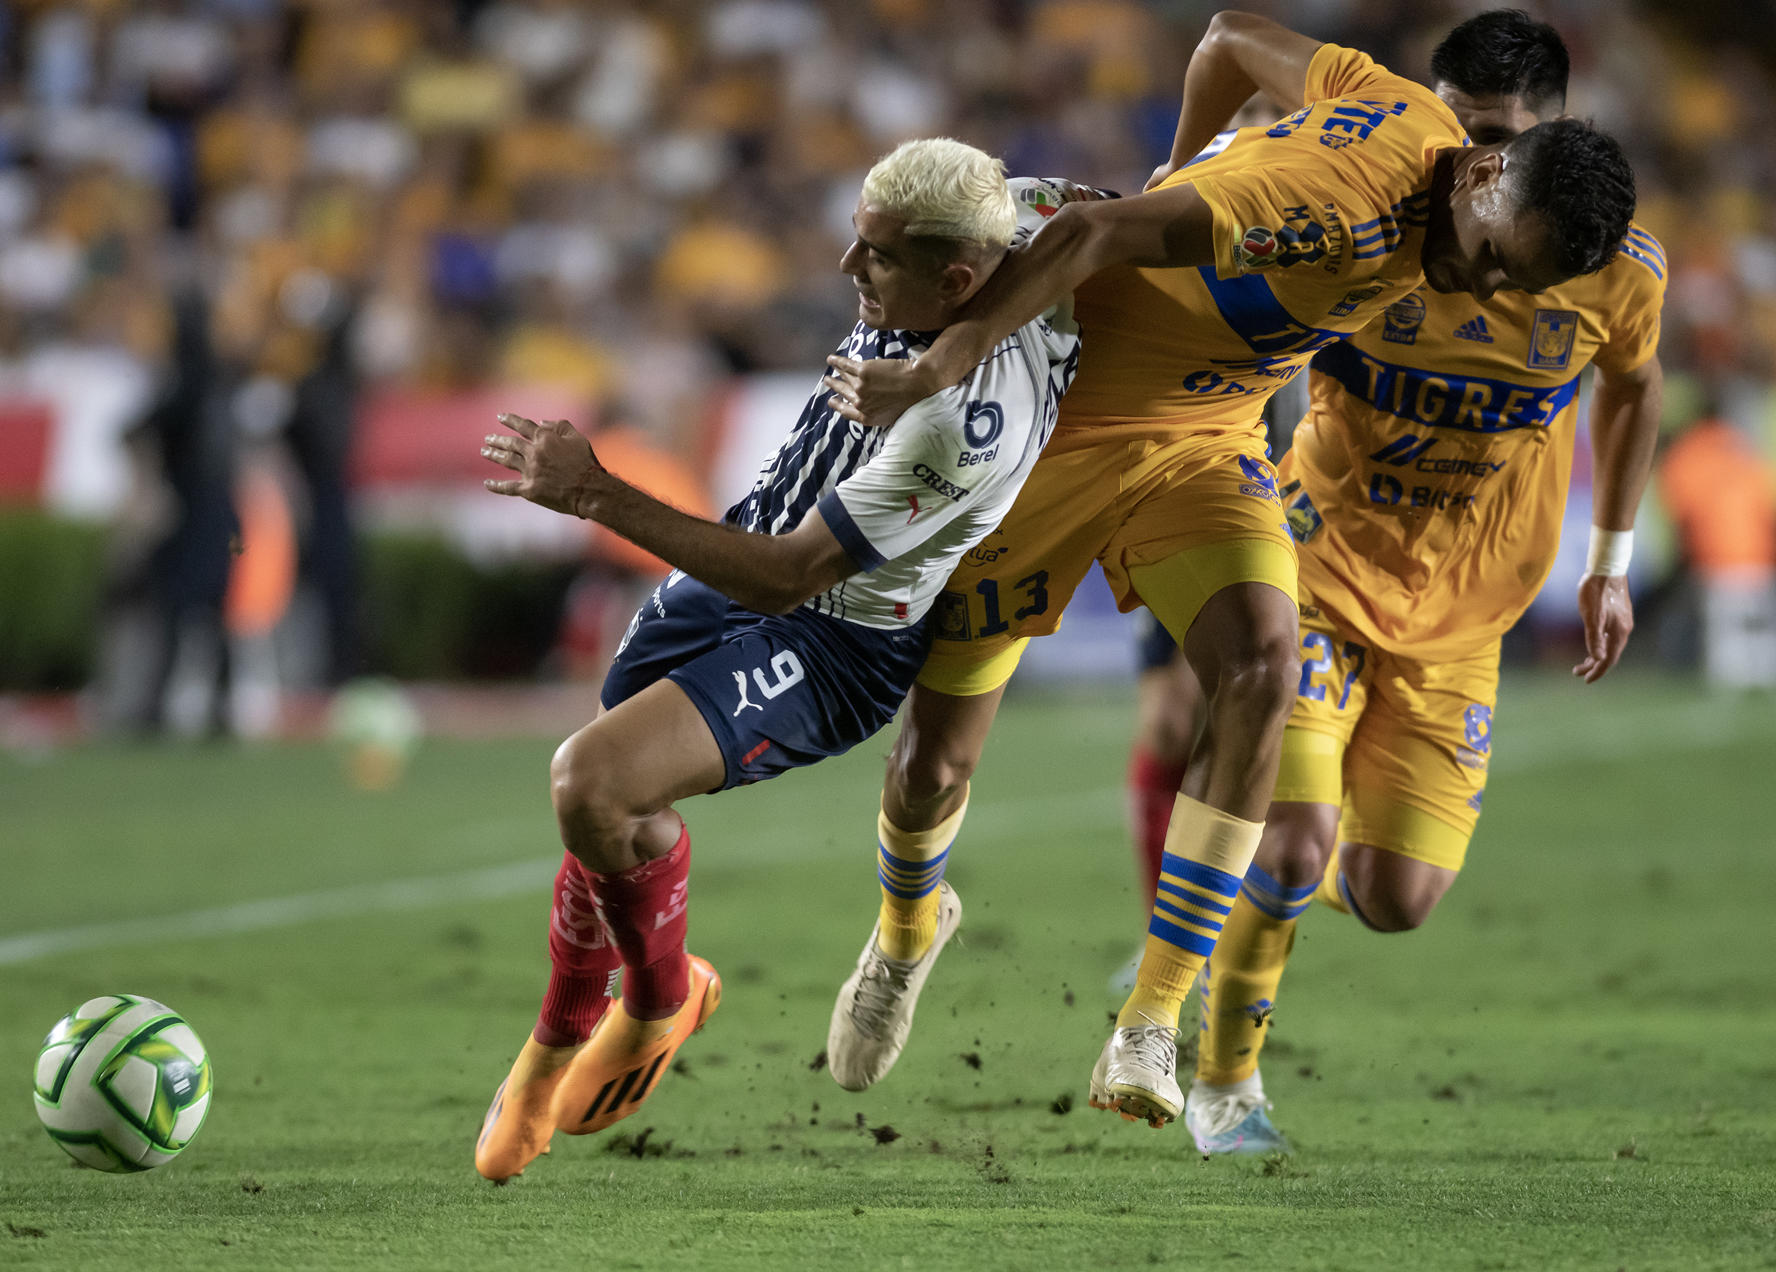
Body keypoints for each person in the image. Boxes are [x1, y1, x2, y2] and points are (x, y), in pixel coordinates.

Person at [820, 9, 1639, 1130]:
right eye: (1492, 257)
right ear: (1482, 168)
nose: (1480, 285)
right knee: (935, 768)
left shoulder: (1413, 121)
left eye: (1512, 281)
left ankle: (1153, 1024)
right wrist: (948, 361)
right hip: (1066, 429)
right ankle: (907, 932)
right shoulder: (1329, 211)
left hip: (1207, 438)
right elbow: (1087, 243)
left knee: (1264, 660)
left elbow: (1229, 36)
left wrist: (1181, 152)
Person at [467, 139, 1087, 1182]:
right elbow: (1103, 222)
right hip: (750, 542)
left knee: (594, 780)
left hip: (834, 634)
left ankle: (626, 1016)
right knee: (614, 803)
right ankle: (618, 1006)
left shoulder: (961, 425)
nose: (848, 269)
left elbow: (789, 581)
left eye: (876, 257)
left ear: (958, 279)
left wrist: (594, 493)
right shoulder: (1017, 214)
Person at [1178, 9, 1667, 1156]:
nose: (1477, 166)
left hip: (1467, 615)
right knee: (1293, 846)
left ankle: (1271, 868)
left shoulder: (1608, 269)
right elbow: (1235, 62)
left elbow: (1637, 388)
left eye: (1507, 140)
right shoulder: (1363, 221)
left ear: (1558, 137)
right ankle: (1223, 1086)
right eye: (1463, 132)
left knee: (1396, 898)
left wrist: (1612, 561)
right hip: (1315, 572)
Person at [1658, 408, 1776, 690]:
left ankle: (1728, 681)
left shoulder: (1686, 456)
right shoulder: (1748, 451)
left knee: (1724, 636)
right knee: (1773, 633)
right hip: (1763, 560)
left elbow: (1680, 515)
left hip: (1716, 562)